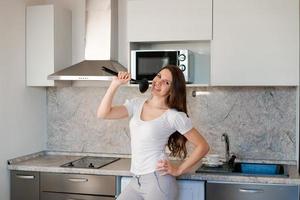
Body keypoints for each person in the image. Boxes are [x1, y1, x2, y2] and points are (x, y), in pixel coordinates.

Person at [97, 65, 210, 200]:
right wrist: (115, 84)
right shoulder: (137, 104)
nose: (159, 82)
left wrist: (178, 170)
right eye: (159, 76)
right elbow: (103, 113)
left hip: (158, 181)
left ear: (172, 90)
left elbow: (203, 146)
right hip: (136, 179)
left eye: (167, 82)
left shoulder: (173, 116)